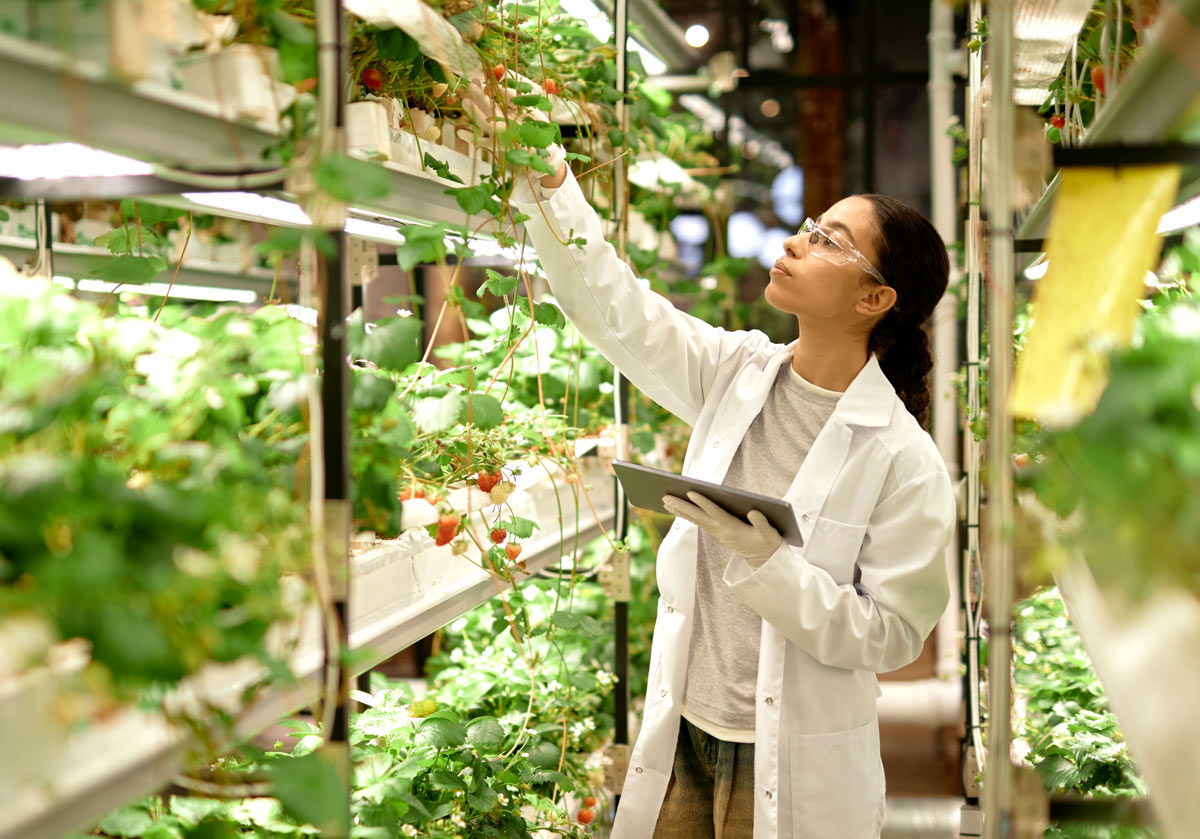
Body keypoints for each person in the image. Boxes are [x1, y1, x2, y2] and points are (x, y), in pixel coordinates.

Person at [510, 145, 955, 839]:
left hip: (789, 755)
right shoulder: (736, 372)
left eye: (826, 241)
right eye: (811, 226)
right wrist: (555, 187)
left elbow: (894, 633)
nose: (792, 243)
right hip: (684, 731)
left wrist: (769, 564)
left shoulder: (903, 458)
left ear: (875, 299)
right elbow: (617, 312)